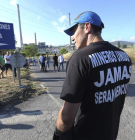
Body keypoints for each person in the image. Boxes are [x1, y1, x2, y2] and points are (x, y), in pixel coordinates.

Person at [53, 11, 132, 140]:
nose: (72, 38)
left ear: (87, 27)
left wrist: (57, 134)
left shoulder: (79, 59)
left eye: (74, 31)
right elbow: (123, 90)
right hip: (111, 134)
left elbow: (66, 118)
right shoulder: (124, 56)